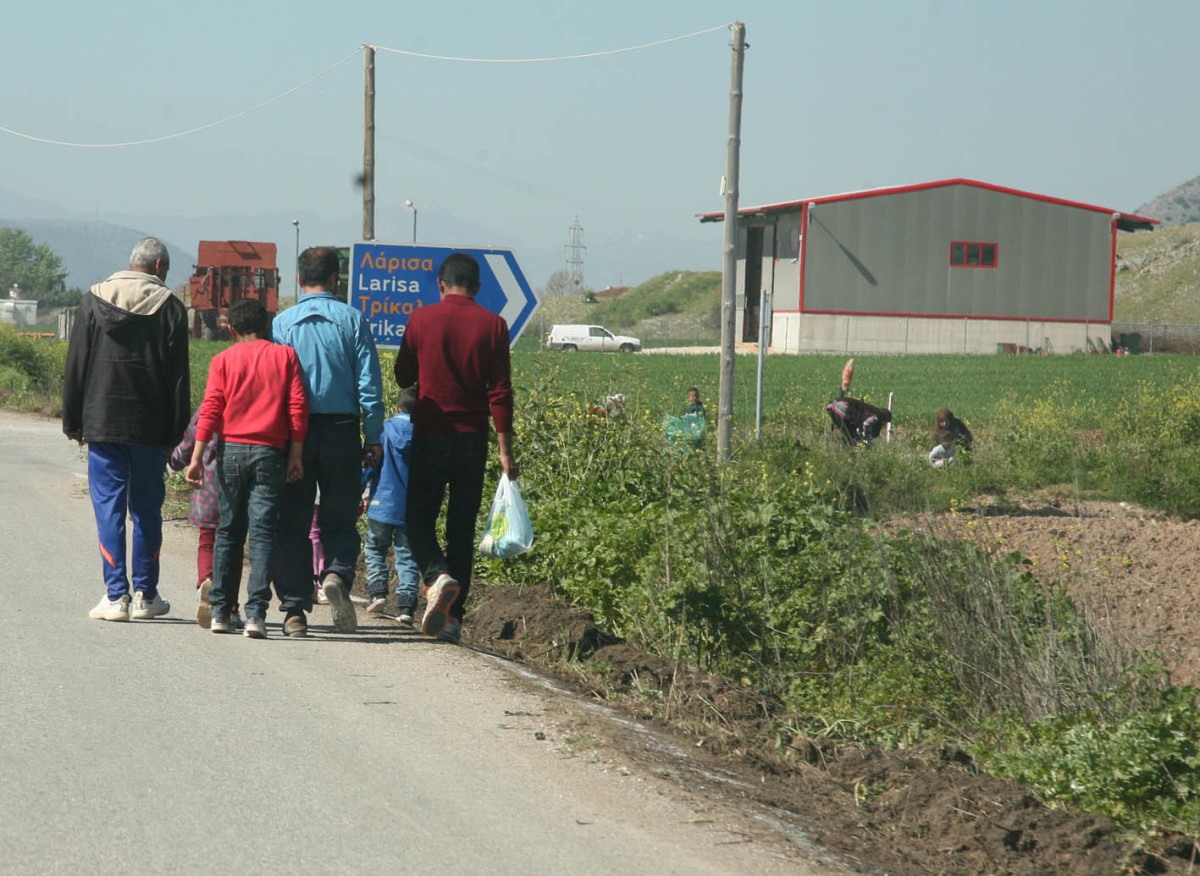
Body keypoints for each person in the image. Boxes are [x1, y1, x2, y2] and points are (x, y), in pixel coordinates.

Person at [394, 252, 518, 644]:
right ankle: (452, 621)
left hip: (430, 434)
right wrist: (505, 451)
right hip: (472, 439)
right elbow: (500, 392)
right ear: (477, 287)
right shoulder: (494, 325)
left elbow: (403, 374)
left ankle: (436, 576)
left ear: (441, 284)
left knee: (417, 519)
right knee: (461, 529)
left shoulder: (421, 319)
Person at [64, 237, 190, 622]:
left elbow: (76, 363)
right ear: (158, 267)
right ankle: (146, 596)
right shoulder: (170, 307)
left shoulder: (93, 300)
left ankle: (116, 595)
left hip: (102, 421)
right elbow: (179, 379)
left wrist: (73, 421)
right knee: (147, 510)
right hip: (151, 428)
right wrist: (176, 434)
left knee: (109, 508)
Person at [271, 246, 384, 637]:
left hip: (295, 434)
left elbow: (275, 384)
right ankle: (335, 573)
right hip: (342, 430)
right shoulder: (353, 320)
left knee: (293, 521)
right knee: (339, 517)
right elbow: (369, 386)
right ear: (336, 279)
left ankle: (294, 610)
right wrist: (373, 436)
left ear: (300, 279)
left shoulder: (282, 324)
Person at [185, 298, 307, 638]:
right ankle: (256, 615)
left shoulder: (223, 360)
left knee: (228, 531)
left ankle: (221, 611)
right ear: (267, 325)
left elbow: (211, 408)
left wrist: (196, 458)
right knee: (263, 533)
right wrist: (296, 455)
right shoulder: (285, 357)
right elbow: (297, 408)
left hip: (230, 453)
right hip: (270, 452)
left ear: (231, 328)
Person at [168, 408, 244, 630]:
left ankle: (206, 581)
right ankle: (231, 607)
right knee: (233, 546)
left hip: (207, 486)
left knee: (207, 542)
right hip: (237, 487)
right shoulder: (244, 407)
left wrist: (175, 459)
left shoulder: (208, 408)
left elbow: (190, 439)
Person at [362, 385, 421, 626]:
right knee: (407, 555)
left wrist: (358, 489)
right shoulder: (424, 435)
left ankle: (378, 592)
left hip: (381, 502)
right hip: (411, 506)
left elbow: (369, 463)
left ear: (397, 408)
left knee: (375, 548)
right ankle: (406, 606)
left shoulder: (383, 431)